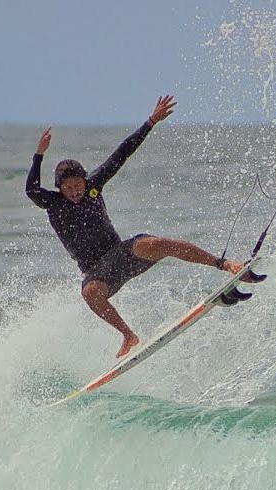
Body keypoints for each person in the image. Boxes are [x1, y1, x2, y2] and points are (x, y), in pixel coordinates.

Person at [26, 95, 253, 358]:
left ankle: (223, 264)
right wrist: (38, 155)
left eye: (78, 185)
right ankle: (128, 336)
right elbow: (30, 189)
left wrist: (151, 122)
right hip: (97, 272)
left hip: (122, 254)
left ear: (84, 180)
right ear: (60, 188)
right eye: (69, 188)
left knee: (155, 244)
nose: (75, 191)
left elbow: (121, 153)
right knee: (90, 293)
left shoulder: (94, 186)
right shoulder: (53, 203)